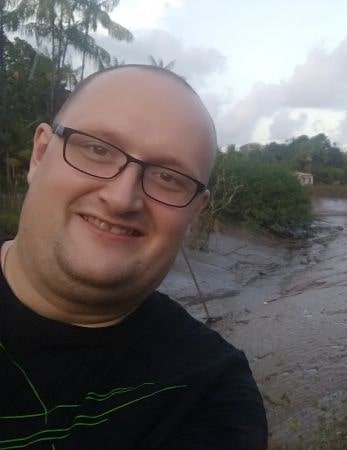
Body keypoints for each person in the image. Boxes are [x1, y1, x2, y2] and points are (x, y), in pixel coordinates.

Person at [0, 65, 268, 449]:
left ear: (194, 213)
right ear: (40, 154)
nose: (121, 199)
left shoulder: (208, 392)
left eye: (168, 177)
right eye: (98, 150)